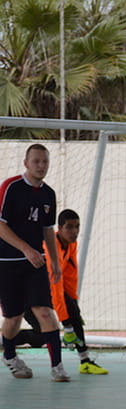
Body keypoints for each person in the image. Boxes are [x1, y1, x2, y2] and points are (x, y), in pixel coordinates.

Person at [0, 144, 70, 381]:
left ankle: (57, 368)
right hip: (7, 262)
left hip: (36, 264)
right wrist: (26, 249)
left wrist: (56, 262)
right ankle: (9, 355)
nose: (41, 166)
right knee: (13, 318)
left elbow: (47, 229)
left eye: (45, 162)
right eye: (36, 161)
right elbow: (0, 225)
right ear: (26, 163)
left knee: (45, 312)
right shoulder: (11, 187)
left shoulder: (49, 194)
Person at [13, 209, 108, 374]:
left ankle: (85, 361)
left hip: (46, 291)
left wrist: (73, 303)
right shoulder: (50, 248)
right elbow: (55, 287)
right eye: (70, 227)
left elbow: (70, 274)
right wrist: (67, 325)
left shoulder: (71, 243)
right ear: (60, 228)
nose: (75, 232)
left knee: (74, 313)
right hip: (28, 294)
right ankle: (8, 340)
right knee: (43, 336)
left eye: (77, 227)